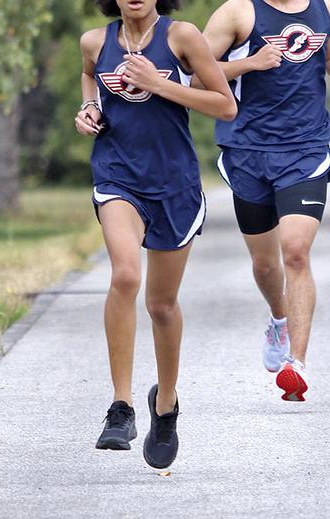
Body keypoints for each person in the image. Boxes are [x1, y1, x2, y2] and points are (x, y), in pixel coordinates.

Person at [75, 0, 236, 468]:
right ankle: (121, 408)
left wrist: (159, 84)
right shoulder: (94, 42)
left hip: (174, 185)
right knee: (125, 276)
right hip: (117, 176)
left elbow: (225, 105)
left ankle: (165, 404)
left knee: (161, 305)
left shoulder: (181, 37)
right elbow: (89, 77)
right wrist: (88, 108)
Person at [200, 0, 330, 402]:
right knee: (265, 262)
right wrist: (249, 64)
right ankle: (278, 317)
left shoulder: (327, 6)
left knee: (295, 252)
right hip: (247, 150)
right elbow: (195, 73)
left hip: (305, 148)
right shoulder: (237, 12)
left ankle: (297, 363)